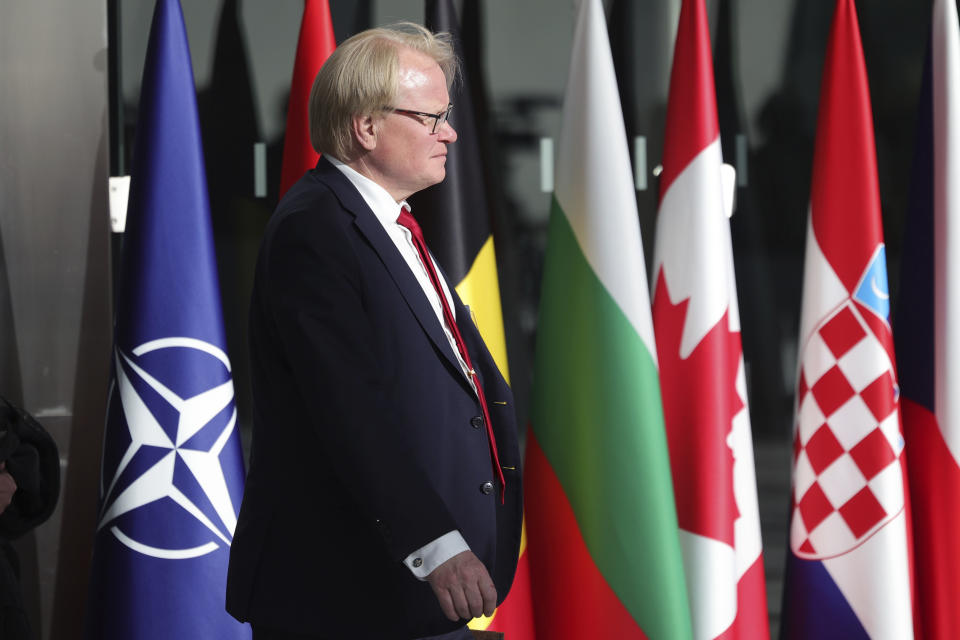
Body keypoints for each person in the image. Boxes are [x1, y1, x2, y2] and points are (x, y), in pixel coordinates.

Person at [226, 23, 522, 640]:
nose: (451, 133)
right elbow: (348, 405)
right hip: (347, 590)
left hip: (408, 596)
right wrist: (436, 546)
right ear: (366, 127)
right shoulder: (318, 229)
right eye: (431, 117)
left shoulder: (393, 223)